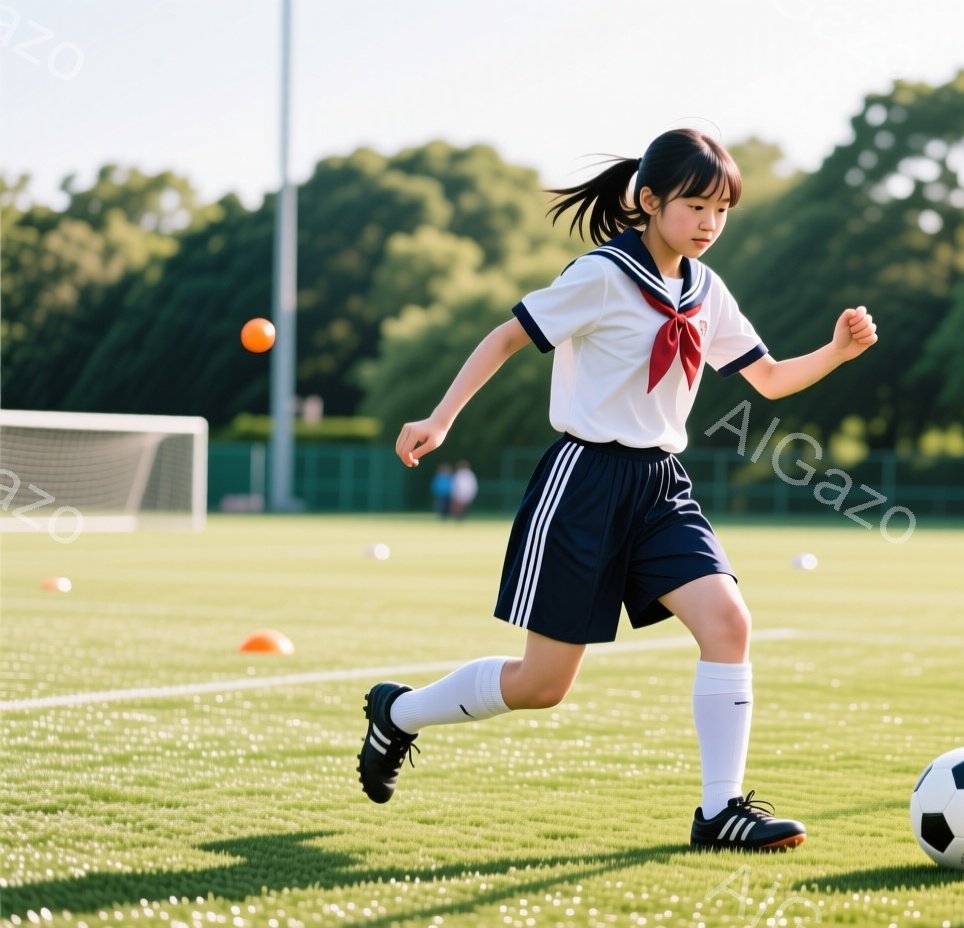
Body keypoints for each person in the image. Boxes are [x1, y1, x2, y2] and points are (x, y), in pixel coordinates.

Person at [356, 128, 878, 852]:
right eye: (695, 205)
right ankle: (400, 713)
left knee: (729, 623)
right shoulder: (601, 275)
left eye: (721, 210)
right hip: (585, 484)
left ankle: (720, 811)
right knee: (544, 684)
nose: (708, 223)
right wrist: (440, 418)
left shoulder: (707, 290)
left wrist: (838, 351)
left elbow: (769, 378)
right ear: (651, 200)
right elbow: (506, 336)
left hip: (662, 485)